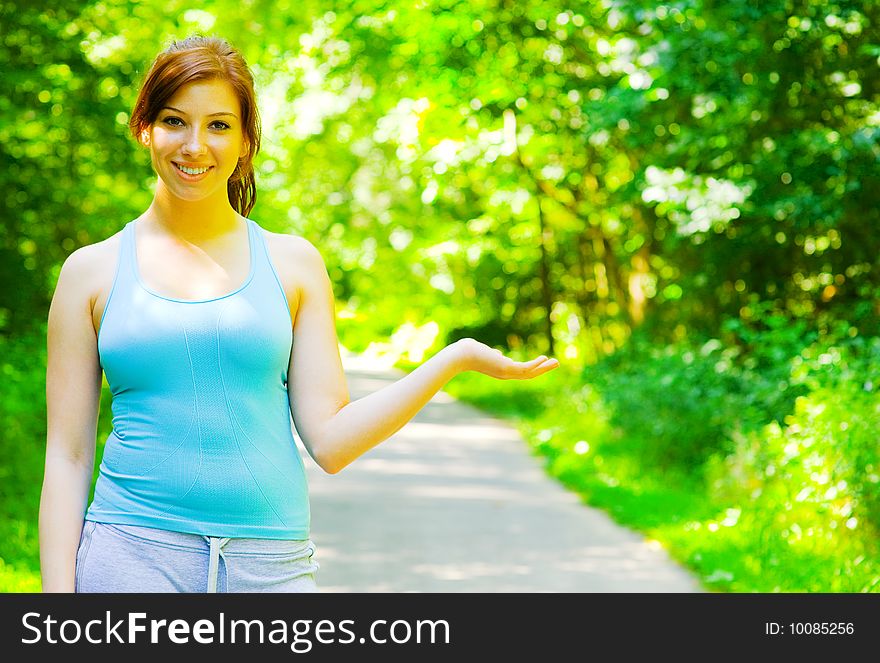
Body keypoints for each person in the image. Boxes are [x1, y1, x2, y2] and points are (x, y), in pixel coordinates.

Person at [39, 35, 559, 594]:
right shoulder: (90, 273)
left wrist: (452, 361)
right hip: (131, 560)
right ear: (145, 127)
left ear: (245, 141)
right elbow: (68, 458)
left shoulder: (294, 265)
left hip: (270, 569)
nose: (194, 146)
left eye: (218, 125)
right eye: (174, 121)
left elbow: (331, 442)